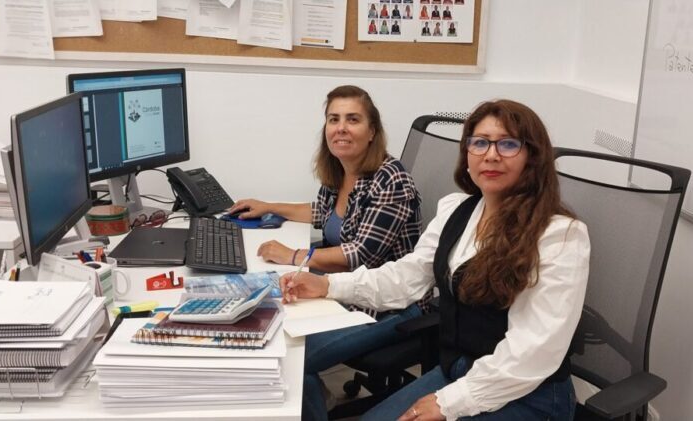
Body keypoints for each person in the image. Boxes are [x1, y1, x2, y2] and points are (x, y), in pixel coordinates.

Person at [280, 99, 590, 421]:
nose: (491, 154)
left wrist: (449, 403)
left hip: (525, 393)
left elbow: (534, 352)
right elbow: (406, 277)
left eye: (508, 144)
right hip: (457, 372)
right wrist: (328, 285)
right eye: (480, 142)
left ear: (532, 157)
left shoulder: (560, 236)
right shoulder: (457, 210)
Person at [230, 85, 423, 276]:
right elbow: (322, 212)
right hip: (340, 279)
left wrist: (292, 255)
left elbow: (361, 256)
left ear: (371, 131)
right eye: (334, 119)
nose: (341, 128)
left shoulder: (392, 180)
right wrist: (268, 207)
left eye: (353, 119)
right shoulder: (339, 169)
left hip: (377, 291)